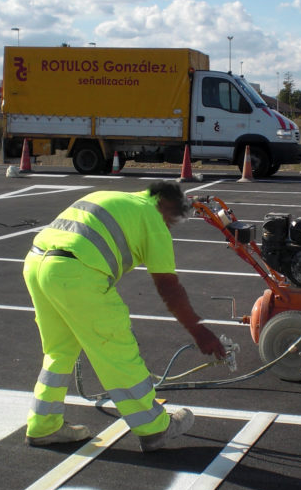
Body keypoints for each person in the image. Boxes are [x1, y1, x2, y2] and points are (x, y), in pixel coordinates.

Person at [22, 180, 225, 452]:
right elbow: (169, 288)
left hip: (36, 265)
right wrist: (200, 332)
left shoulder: (110, 196)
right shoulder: (153, 220)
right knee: (117, 351)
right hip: (77, 273)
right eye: (172, 219)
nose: (170, 226)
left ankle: (43, 425)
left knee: (59, 351)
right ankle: (155, 428)